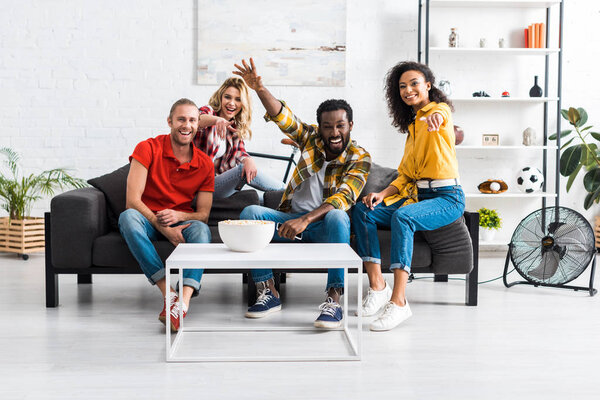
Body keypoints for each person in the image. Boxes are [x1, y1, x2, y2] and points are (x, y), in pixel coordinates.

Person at [234, 58, 371, 329]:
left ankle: (333, 300)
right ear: (319, 127)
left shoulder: (360, 157)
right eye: (327, 126)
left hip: (323, 228)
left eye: (340, 126)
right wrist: (259, 88)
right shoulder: (310, 138)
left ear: (350, 126)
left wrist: (306, 220)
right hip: (289, 222)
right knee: (251, 212)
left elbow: (342, 198)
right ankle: (268, 291)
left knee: (339, 217)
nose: (334, 132)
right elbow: (283, 117)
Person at [352, 61, 465, 331]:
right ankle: (378, 286)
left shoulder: (439, 111)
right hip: (419, 197)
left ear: (428, 85)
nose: (408, 89)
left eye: (414, 83)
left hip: (447, 197)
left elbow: (443, 115)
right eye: (402, 86)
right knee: (363, 210)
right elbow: (405, 177)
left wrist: (436, 117)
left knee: (403, 217)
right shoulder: (413, 128)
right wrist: (380, 193)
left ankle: (399, 302)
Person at [118, 98, 215, 332]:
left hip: (181, 221)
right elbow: (132, 201)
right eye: (181, 119)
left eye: (192, 120)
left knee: (202, 230)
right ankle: (169, 295)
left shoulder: (204, 163)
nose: (186, 125)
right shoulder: (148, 148)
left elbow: (202, 214)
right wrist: (162, 227)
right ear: (170, 121)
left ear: (198, 125)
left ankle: (183, 301)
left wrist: (180, 216)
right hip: (147, 219)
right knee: (127, 217)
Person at [194, 76, 285, 199]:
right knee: (241, 171)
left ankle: (287, 197)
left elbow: (240, 151)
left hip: (219, 185)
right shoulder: (209, 112)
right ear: (220, 97)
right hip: (200, 188)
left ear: (243, 104)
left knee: (261, 199)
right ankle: (289, 191)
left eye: (238, 99)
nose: (232, 103)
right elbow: (196, 119)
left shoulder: (234, 127)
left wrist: (248, 160)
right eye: (227, 97)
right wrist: (216, 120)